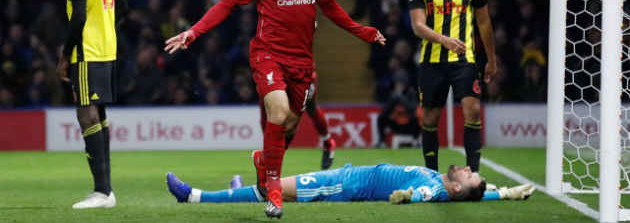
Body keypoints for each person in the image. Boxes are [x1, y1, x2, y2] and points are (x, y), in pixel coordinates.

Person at [164, 0, 386, 218]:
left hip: (302, 64)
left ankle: (263, 162)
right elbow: (227, 4)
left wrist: (362, 31)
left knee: (289, 126)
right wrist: (193, 32)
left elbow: (332, 8)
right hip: (268, 55)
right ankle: (274, 192)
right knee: (279, 113)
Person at [56, 0, 128, 209]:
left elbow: (79, 16)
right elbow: (122, 6)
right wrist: (106, 30)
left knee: (86, 115)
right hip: (107, 48)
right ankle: (106, 191)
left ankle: (102, 192)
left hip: (86, 50)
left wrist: (65, 53)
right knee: (98, 115)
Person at [407, 0, 496, 174]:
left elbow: (484, 22)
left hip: (464, 60)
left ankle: (473, 173)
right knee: (430, 119)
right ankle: (432, 175)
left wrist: (491, 59)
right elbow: (418, 26)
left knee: (473, 110)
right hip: (432, 61)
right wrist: (444, 40)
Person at [165, 164, 534, 204]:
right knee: (277, 187)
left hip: (342, 185)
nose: (467, 168)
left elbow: (421, 195)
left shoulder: (436, 189)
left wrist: (406, 196)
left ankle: (194, 197)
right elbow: (475, 194)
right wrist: (503, 193)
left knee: (274, 189)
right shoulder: (445, 183)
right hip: (348, 175)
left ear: (456, 189)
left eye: (469, 175)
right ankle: (239, 189)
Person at [259, 66, 337, 170]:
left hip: (303, 72)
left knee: (310, 107)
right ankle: (269, 160)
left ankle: (328, 144)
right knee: (267, 99)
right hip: (278, 69)